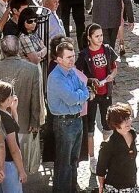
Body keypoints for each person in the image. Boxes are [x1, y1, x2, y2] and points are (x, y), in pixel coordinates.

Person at [46, 40, 90, 192]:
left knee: (74, 161)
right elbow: (72, 98)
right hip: (64, 124)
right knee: (64, 163)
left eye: (73, 56)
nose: (72, 60)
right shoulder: (56, 78)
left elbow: (85, 89)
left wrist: (80, 95)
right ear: (59, 60)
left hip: (76, 120)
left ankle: (72, 189)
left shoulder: (71, 71)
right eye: (68, 57)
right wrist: (81, 96)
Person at [0, 36, 44, 166]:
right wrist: (35, 121)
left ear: (2, 50)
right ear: (19, 49)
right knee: (20, 159)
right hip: (24, 123)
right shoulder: (32, 69)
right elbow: (35, 97)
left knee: (3, 160)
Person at [76, 23, 118, 163]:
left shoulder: (107, 49)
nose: (100, 39)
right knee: (90, 126)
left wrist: (112, 75)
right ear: (89, 38)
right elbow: (77, 74)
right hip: (92, 95)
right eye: (97, 36)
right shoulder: (84, 54)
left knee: (108, 124)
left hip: (106, 92)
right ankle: (92, 157)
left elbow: (114, 67)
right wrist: (89, 80)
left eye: (101, 35)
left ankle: (106, 153)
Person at [0, 82, 28, 193]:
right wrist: (22, 171)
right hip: (9, 165)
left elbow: (14, 128)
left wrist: (14, 110)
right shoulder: (5, 119)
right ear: (7, 99)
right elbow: (14, 149)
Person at [95, 103, 139, 192]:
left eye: (128, 118)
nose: (128, 122)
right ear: (115, 124)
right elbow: (101, 168)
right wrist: (101, 187)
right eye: (123, 120)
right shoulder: (108, 145)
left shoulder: (133, 134)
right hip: (116, 187)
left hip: (132, 183)